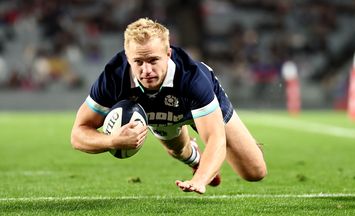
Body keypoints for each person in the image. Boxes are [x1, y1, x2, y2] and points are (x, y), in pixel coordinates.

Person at [71, 18, 267, 194]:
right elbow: (78, 135)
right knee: (177, 150)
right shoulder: (113, 77)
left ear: (168, 54)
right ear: (128, 58)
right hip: (156, 113)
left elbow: (216, 139)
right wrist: (112, 141)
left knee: (255, 172)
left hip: (194, 105)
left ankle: (233, 152)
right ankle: (195, 158)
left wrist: (199, 181)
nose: (146, 70)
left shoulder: (193, 79)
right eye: (138, 62)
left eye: (153, 60)